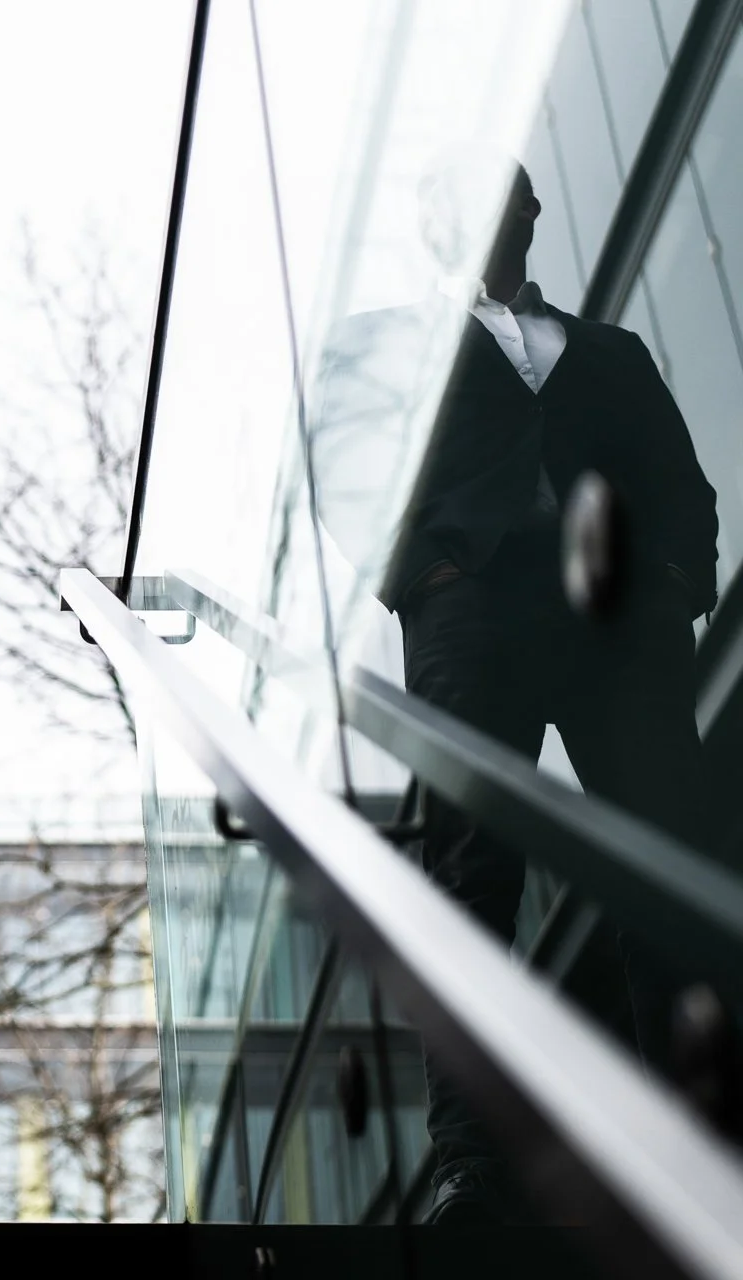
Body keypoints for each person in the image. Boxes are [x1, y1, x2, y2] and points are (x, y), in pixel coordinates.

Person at [312, 158, 716, 1224]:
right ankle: (467, 1156)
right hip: (470, 612)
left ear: (536, 213)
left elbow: (682, 483)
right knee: (471, 866)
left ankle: (693, 1124)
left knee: (661, 855)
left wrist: (677, 582)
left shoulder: (610, 352)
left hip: (619, 622)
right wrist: (423, 577)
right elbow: (342, 467)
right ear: (433, 215)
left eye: (516, 192)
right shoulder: (378, 341)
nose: (501, 207)